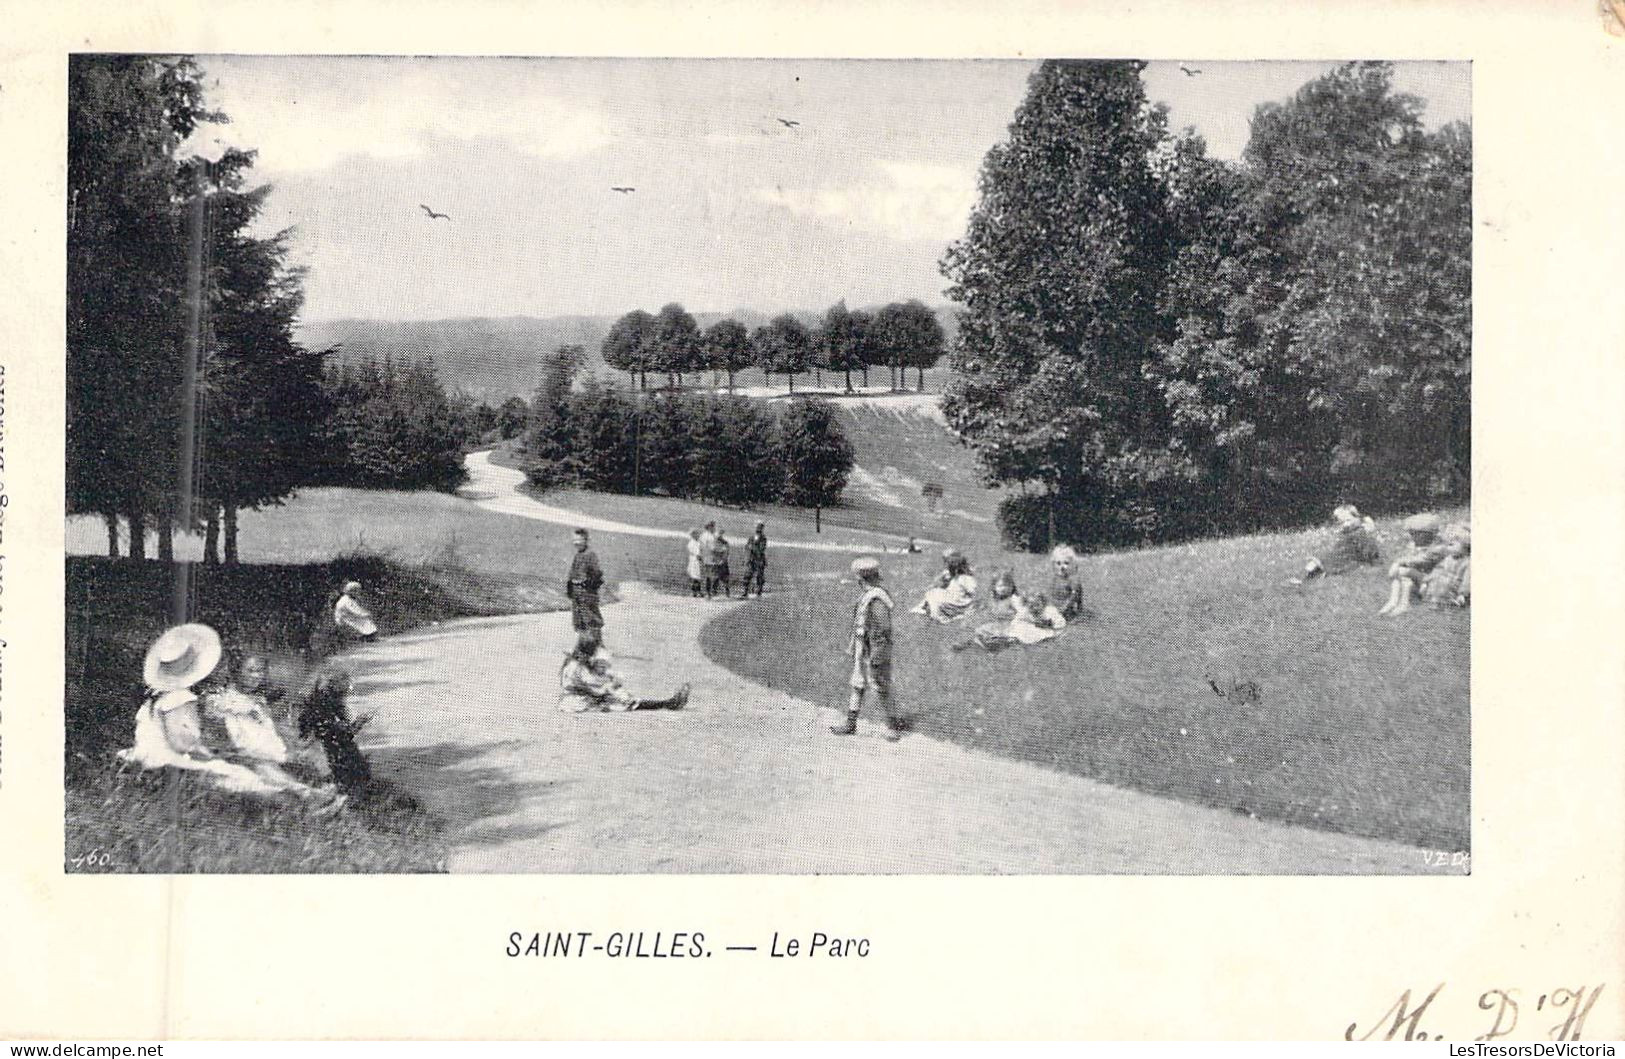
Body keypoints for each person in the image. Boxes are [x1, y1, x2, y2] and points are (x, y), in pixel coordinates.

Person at [116, 624, 301, 799]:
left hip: (149, 754)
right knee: (242, 774)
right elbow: (183, 744)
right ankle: (288, 795)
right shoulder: (179, 698)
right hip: (165, 760)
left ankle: (296, 791)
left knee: (246, 765)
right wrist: (212, 754)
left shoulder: (158, 696)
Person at [205, 653, 344, 809]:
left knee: (314, 753)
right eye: (251, 671)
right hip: (249, 755)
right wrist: (245, 708)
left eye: (260, 671)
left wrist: (292, 746)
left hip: (271, 752)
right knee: (268, 771)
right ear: (235, 672)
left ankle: (327, 789)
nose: (257, 676)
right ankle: (311, 797)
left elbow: (270, 731)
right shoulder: (222, 700)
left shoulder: (257, 700)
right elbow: (216, 713)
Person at [833, 557, 907, 740]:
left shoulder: (876, 598)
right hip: (863, 648)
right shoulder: (869, 595)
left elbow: (884, 628)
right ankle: (851, 724)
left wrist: (878, 653)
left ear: (861, 578)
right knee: (857, 683)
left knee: (881, 684)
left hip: (875, 649)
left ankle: (893, 726)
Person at [557, 631, 690, 712]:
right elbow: (595, 688)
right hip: (577, 700)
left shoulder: (574, 663)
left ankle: (665, 703)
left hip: (579, 696)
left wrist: (607, 679)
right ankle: (666, 703)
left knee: (616, 692)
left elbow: (591, 682)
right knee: (622, 700)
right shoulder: (577, 667)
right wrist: (611, 684)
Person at [1379, 513, 1450, 616]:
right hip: (1421, 580)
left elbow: (1420, 560)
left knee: (1402, 572)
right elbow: (1409, 559)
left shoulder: (1438, 548)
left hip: (1432, 582)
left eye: (1414, 534)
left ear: (1426, 534)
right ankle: (1394, 602)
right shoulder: (1417, 546)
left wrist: (1397, 563)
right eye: (1412, 534)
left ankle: (1404, 604)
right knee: (1401, 579)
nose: (1412, 537)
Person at [1290, 504, 1381, 584]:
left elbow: (1369, 550)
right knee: (1317, 561)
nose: (1346, 525)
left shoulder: (1360, 533)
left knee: (1321, 562)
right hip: (1340, 557)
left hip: (1350, 560)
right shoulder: (1349, 533)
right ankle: (1303, 578)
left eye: (1348, 520)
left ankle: (1305, 578)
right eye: (1342, 523)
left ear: (1357, 518)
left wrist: (1373, 563)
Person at [910, 548, 977, 623]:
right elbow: (939, 584)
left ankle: (937, 617)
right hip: (952, 598)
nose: (946, 564)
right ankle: (923, 608)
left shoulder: (965, 578)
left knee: (934, 596)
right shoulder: (949, 574)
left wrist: (970, 606)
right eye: (945, 561)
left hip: (958, 602)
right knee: (933, 592)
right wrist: (943, 579)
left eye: (947, 561)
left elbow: (973, 594)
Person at [1421, 523, 1471, 608]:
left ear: (1465, 546)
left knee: (1443, 583)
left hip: (1454, 588)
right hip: (1442, 584)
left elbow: (1467, 581)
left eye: (1451, 545)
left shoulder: (1467, 563)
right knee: (1437, 580)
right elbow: (1438, 569)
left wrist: (1462, 594)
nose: (1448, 548)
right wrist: (1426, 581)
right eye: (1448, 545)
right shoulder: (1448, 558)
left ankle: (1445, 603)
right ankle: (1433, 603)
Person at [567, 528, 604, 634]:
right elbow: (573, 573)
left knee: (591, 619)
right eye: (574, 540)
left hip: (586, 593)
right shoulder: (578, 555)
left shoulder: (590, 555)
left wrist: (589, 586)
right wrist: (570, 587)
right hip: (577, 593)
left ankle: (598, 646)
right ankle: (583, 648)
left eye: (579, 540)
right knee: (579, 621)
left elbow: (597, 574)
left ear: (586, 540)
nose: (576, 543)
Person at [1048, 545, 1087, 621]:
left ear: (1072, 564)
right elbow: (1051, 594)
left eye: (1066, 563)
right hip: (1055, 608)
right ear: (1053, 565)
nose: (1062, 567)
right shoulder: (1055, 578)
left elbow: (1073, 597)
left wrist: (1063, 608)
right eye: (1058, 564)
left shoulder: (1073, 580)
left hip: (1067, 610)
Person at [742, 521, 768, 599]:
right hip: (751, 558)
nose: (758, 528)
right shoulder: (751, 537)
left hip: (759, 559)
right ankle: (745, 591)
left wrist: (752, 548)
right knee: (747, 575)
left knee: (759, 576)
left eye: (760, 527)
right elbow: (747, 546)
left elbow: (761, 549)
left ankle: (759, 591)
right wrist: (746, 557)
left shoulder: (763, 538)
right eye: (757, 527)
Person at [697, 521, 720, 599]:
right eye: (713, 527)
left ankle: (710, 591)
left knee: (712, 575)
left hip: (709, 557)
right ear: (709, 527)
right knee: (709, 575)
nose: (714, 528)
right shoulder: (708, 536)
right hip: (709, 557)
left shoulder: (709, 535)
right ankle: (708, 593)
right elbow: (711, 548)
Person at [712, 528, 733, 598]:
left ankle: (727, 592)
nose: (719, 536)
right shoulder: (714, 543)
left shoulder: (725, 543)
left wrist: (723, 560)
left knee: (725, 578)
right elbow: (712, 553)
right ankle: (714, 591)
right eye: (718, 534)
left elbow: (726, 553)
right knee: (716, 577)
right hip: (716, 562)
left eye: (720, 534)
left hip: (723, 563)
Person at [685, 528, 704, 598]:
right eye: (696, 534)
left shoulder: (698, 542)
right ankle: (694, 592)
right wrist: (701, 558)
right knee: (695, 576)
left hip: (697, 561)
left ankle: (697, 591)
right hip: (694, 561)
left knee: (698, 576)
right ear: (693, 535)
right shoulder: (691, 543)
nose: (698, 535)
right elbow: (697, 554)